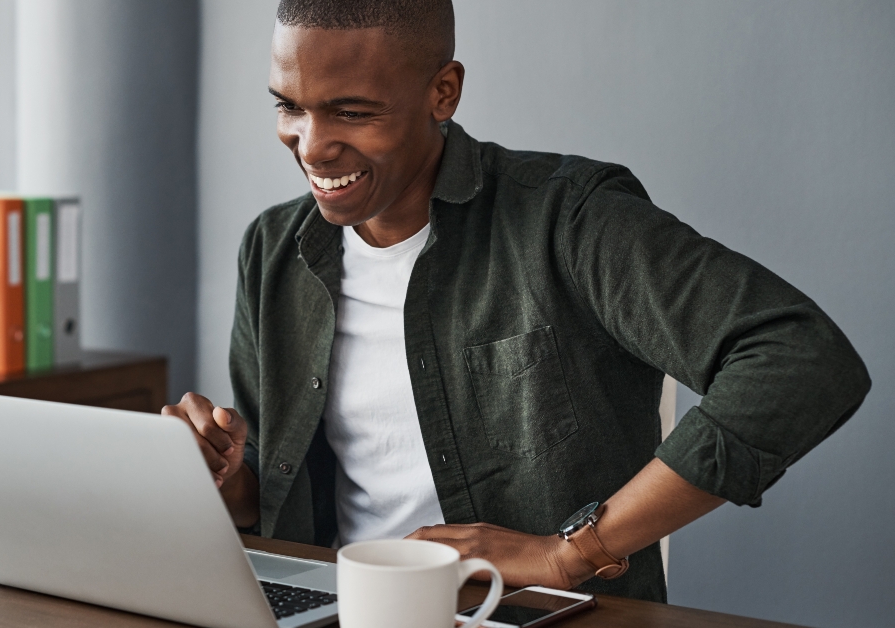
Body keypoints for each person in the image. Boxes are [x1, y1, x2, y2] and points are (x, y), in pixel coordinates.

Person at [162, 0, 870, 602]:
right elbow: (276, 485)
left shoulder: (568, 219)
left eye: (351, 111)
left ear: (443, 92)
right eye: (289, 106)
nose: (311, 146)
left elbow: (800, 358)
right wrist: (223, 481)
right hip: (335, 603)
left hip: (522, 611)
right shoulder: (274, 247)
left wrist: (570, 552)